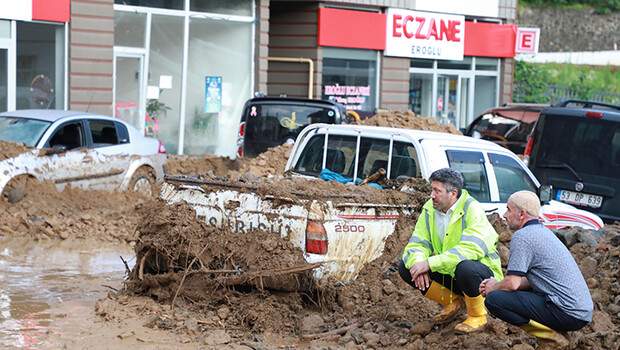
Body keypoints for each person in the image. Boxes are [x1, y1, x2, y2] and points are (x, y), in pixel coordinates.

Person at [480, 191, 592, 349]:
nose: (505, 215)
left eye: (509, 209)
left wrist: (493, 287)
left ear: (522, 214)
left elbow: (512, 283)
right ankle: (555, 334)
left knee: (495, 300)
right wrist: (498, 284)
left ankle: (551, 338)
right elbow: (532, 281)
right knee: (505, 292)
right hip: (581, 312)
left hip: (567, 312)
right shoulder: (544, 232)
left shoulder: (523, 237)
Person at [399, 168, 503, 333]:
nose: (432, 195)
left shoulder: (472, 209)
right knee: (407, 267)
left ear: (453, 193)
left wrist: (430, 263)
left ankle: (478, 315)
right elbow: (418, 243)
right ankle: (454, 303)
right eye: (432, 189)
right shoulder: (430, 208)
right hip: (451, 272)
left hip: (483, 279)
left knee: (466, 267)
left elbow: (470, 249)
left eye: (437, 191)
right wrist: (418, 263)